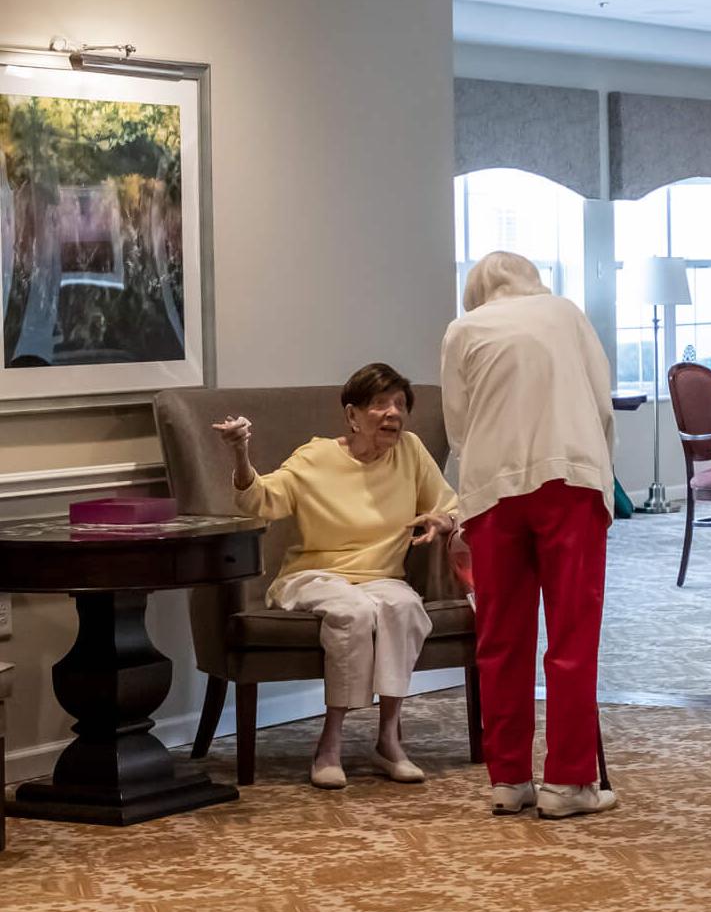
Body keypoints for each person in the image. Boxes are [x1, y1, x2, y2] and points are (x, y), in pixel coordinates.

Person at [212, 362, 456, 790]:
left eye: (400, 404)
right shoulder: (317, 457)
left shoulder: (411, 451)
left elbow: (450, 505)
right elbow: (260, 501)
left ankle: (388, 742)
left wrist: (442, 521)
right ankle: (330, 743)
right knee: (353, 611)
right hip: (314, 575)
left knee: (404, 607)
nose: (393, 413)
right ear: (352, 416)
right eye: (380, 404)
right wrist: (240, 454)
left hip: (381, 577)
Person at [441, 251, 617, 821]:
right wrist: (603, 476)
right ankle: (567, 783)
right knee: (571, 635)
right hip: (570, 476)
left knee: (500, 638)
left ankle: (508, 778)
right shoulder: (565, 313)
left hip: (492, 489)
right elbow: (601, 403)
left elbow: (458, 426)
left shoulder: (461, 329)